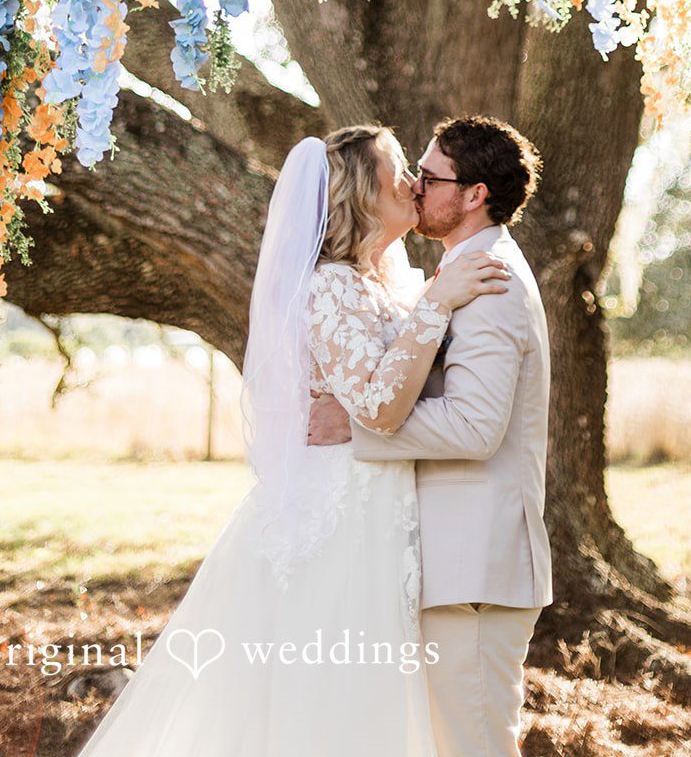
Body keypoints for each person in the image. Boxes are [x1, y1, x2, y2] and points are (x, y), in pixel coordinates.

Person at [73, 124, 512, 755]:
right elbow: (382, 405)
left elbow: (400, 382)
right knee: (331, 682)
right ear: (364, 196)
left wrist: (427, 306)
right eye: (400, 174)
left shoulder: (386, 281)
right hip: (338, 515)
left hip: (378, 503)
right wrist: (438, 305)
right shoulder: (329, 285)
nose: (415, 184)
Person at [308, 115, 552, 757]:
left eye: (431, 176)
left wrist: (354, 432)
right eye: (411, 174)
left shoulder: (490, 282)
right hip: (447, 560)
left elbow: (474, 427)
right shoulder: (455, 274)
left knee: (472, 744)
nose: (415, 186)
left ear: (474, 194)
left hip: (474, 565)